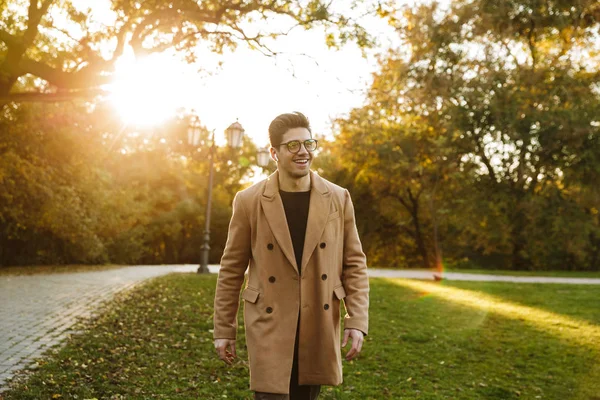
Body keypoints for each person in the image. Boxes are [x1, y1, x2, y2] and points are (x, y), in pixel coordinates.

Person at [213, 112, 369, 400]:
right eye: (293, 145)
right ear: (274, 153)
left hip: (319, 320)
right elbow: (231, 270)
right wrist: (224, 329)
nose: (303, 152)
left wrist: (357, 320)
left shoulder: (338, 198)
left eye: (308, 143)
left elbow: (354, 264)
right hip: (269, 322)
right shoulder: (249, 201)